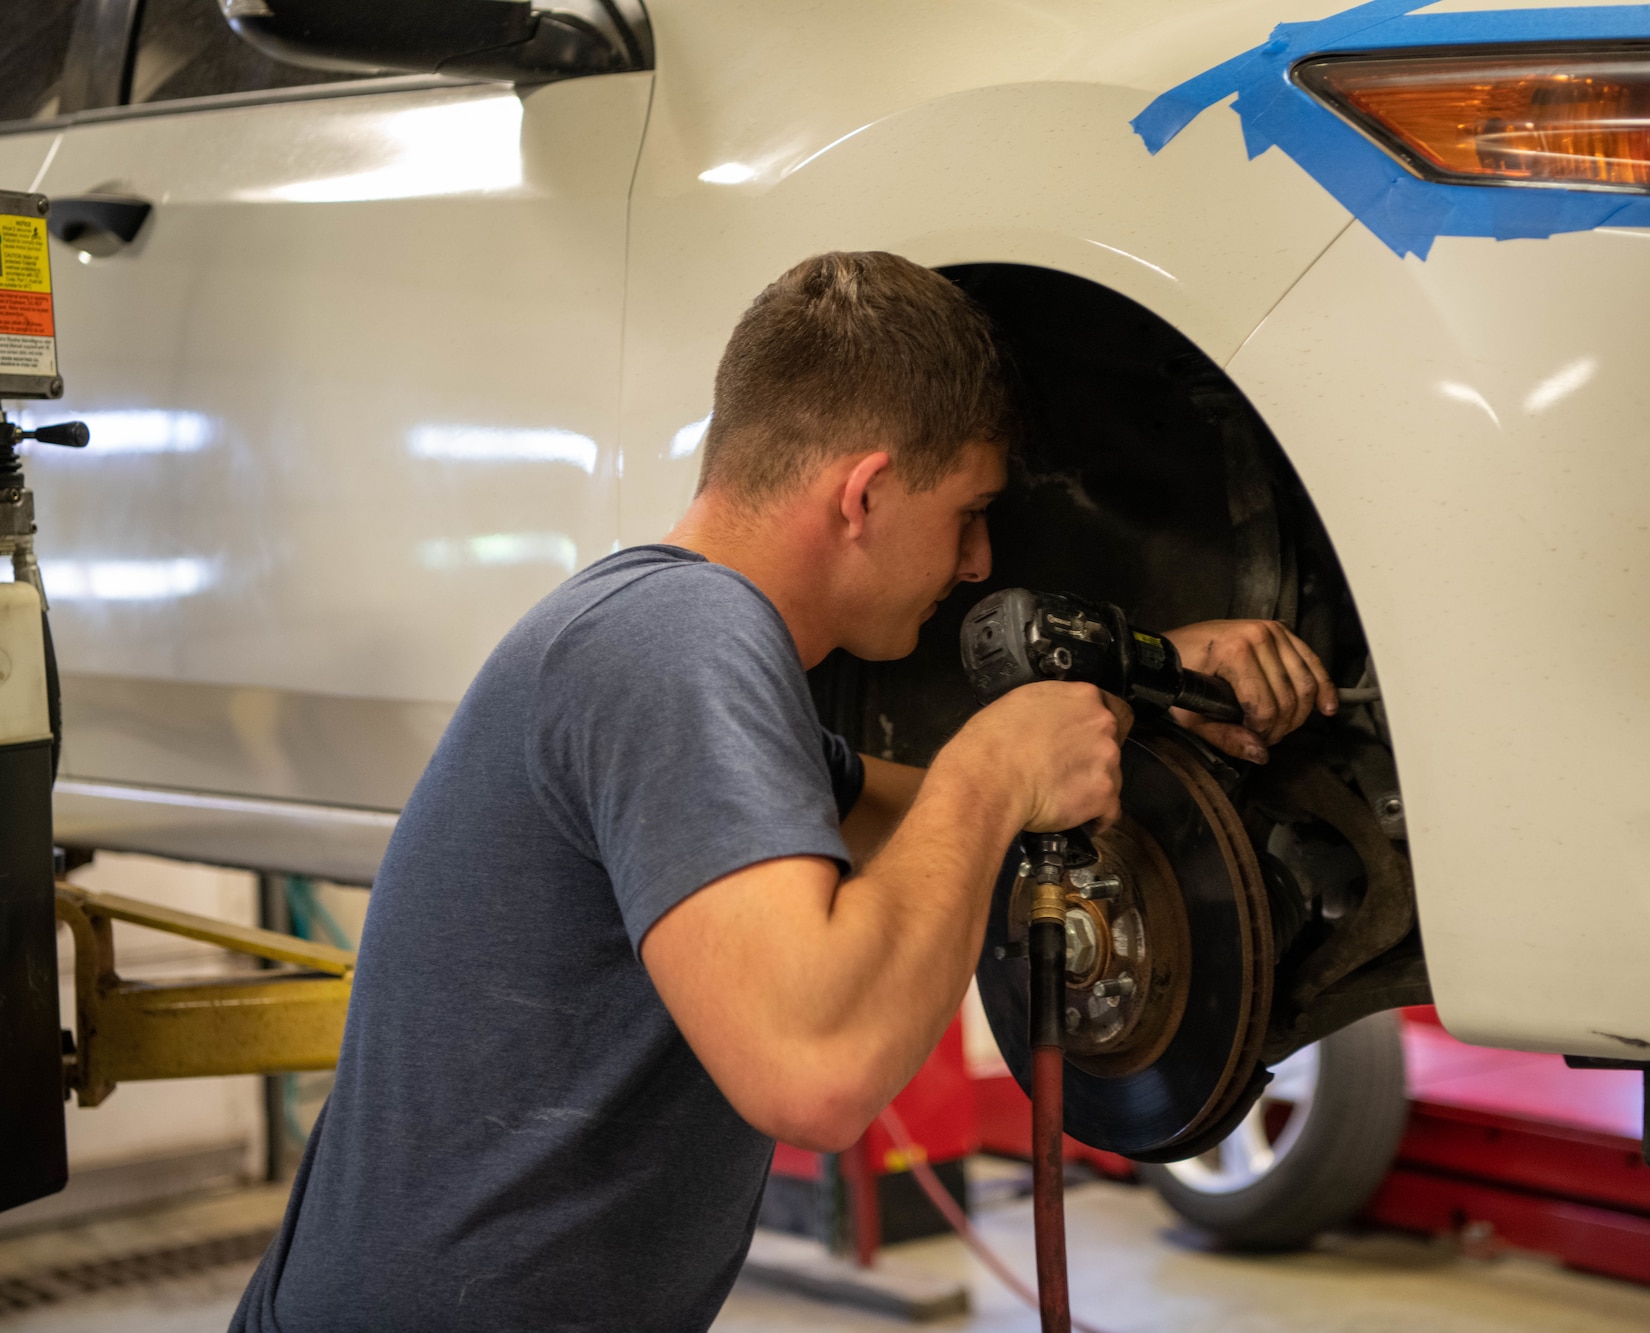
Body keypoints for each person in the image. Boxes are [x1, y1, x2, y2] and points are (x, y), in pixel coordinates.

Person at [231, 251, 1337, 1332]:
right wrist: (994, 767)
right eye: (967, 512)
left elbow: (903, 821)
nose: (977, 562)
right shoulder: (676, 640)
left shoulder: (672, 642)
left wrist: (1143, 687)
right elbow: (814, 1072)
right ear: (863, 493)